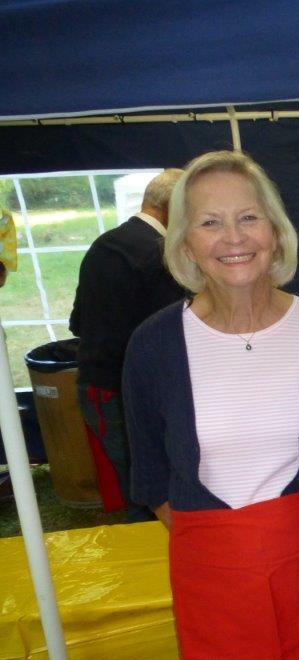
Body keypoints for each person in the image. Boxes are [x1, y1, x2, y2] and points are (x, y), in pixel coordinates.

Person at [122, 151, 299, 660]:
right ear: (185, 244)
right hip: (212, 584)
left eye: (248, 217)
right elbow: (151, 476)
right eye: (210, 222)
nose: (233, 238)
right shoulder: (153, 345)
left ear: (275, 231)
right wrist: (227, 550)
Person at [70, 168, 187, 521]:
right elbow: (173, 337)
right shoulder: (159, 256)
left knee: (134, 480)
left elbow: (77, 322)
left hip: (96, 383)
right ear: (172, 209)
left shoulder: (105, 243)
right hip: (125, 389)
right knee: (150, 488)